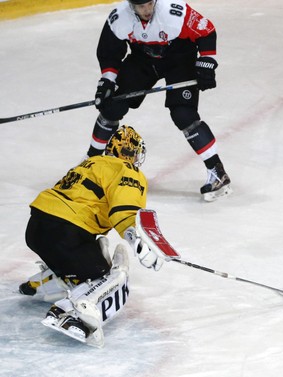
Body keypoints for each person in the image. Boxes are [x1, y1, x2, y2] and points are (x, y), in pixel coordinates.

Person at [19, 126, 166, 347]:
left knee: (91, 250)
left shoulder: (91, 162)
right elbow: (124, 211)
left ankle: (50, 280)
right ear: (130, 152)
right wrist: (139, 241)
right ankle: (71, 314)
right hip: (65, 232)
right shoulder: (127, 171)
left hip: (36, 228)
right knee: (109, 277)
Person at [86, 0, 231, 202]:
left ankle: (217, 172)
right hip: (142, 59)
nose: (146, 10)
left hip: (179, 59)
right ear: (131, 6)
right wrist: (108, 81)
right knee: (111, 107)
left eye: (149, 4)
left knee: (183, 113)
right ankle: (90, 163)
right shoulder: (119, 18)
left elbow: (206, 31)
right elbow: (109, 53)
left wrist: (206, 62)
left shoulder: (174, 12)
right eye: (140, 6)